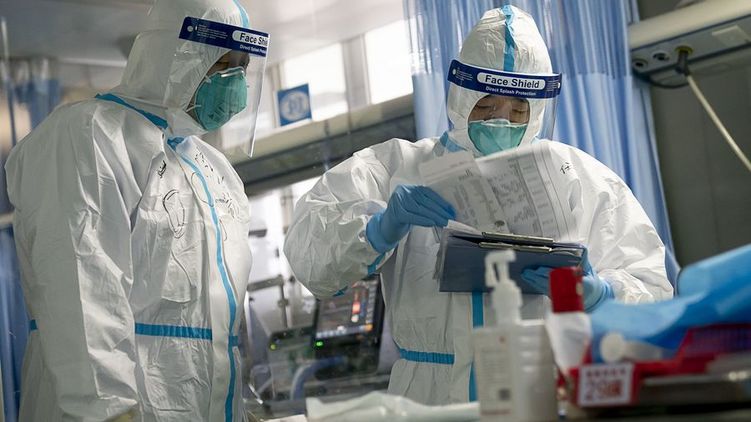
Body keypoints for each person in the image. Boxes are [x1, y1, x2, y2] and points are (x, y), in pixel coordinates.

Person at [283, 5, 673, 405]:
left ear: (537, 110)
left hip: (543, 390)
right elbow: (309, 256)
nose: (501, 120)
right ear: (461, 96)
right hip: (429, 401)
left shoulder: (579, 178)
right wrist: (379, 228)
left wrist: (602, 296)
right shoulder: (394, 168)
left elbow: (653, 293)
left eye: (518, 109)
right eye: (486, 105)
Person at [5, 0, 267, 420]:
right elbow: (81, 288)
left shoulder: (212, 169)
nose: (235, 80)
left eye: (243, 66)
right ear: (175, 56)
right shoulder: (90, 135)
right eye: (223, 64)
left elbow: (212, 327)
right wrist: (109, 410)